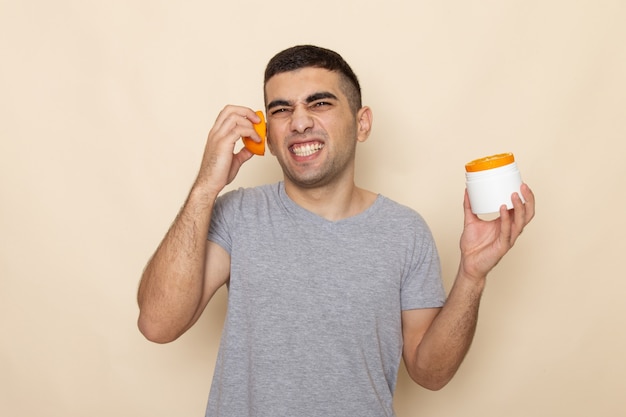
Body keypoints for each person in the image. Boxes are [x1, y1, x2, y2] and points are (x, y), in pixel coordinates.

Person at [137, 45, 535, 416]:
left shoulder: (405, 232)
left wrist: (471, 276)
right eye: (280, 110)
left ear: (362, 124)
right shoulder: (237, 214)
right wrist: (206, 187)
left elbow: (430, 373)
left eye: (319, 103)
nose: (299, 122)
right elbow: (157, 325)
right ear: (269, 139)